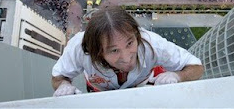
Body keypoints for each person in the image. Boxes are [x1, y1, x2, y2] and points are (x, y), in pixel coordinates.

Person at [51, 6, 204, 96]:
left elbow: (196, 66)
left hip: (145, 86)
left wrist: (178, 76)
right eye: (114, 50)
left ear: (137, 36)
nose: (126, 58)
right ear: (96, 51)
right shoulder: (79, 47)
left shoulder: (151, 42)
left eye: (130, 43)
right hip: (99, 90)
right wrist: (64, 85)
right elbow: (58, 77)